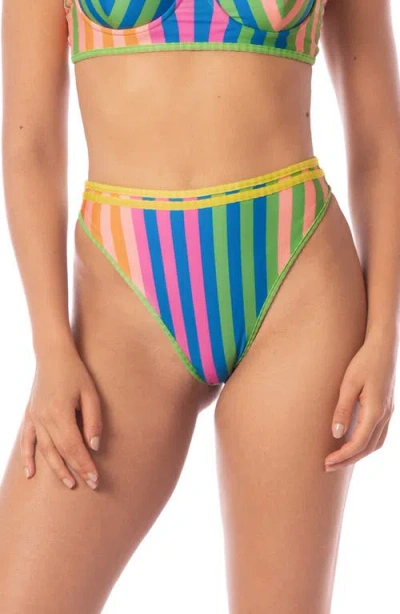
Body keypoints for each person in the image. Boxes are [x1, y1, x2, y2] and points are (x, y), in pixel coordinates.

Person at [0, 0, 399, 611]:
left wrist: (384, 337)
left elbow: (380, 135)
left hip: (297, 291)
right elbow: (31, 143)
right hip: (122, 314)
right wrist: (51, 347)